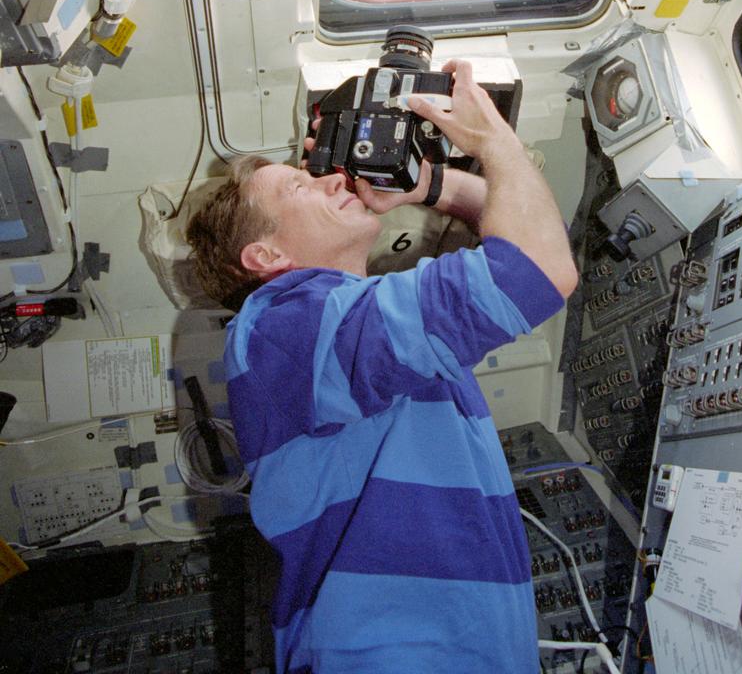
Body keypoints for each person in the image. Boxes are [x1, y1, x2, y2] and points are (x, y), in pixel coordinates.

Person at [187, 61, 578, 674]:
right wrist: (491, 140)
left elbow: (528, 237)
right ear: (265, 254)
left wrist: (427, 185)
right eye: (302, 187)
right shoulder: (280, 325)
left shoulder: (352, 326)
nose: (332, 180)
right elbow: (536, 268)